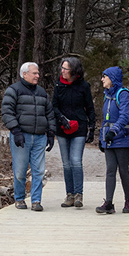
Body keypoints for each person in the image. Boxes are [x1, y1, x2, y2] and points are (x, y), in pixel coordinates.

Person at [1, 62, 56, 211]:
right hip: (21, 137)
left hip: (39, 137)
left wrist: (51, 133)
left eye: (38, 73)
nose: (38, 76)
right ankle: (19, 198)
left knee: (38, 170)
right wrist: (16, 131)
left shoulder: (42, 92)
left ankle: (36, 201)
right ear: (24, 74)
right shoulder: (13, 90)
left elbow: (50, 114)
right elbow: (7, 112)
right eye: (34, 73)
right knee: (20, 171)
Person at [52, 56, 95, 208]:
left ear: (74, 71)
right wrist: (61, 118)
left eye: (65, 69)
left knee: (76, 161)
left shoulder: (84, 86)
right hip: (62, 128)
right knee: (66, 164)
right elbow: (54, 106)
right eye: (62, 68)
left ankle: (78, 195)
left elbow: (90, 107)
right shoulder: (59, 85)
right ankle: (69, 195)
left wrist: (92, 128)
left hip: (79, 127)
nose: (62, 71)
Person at [96, 65, 129, 215]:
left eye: (104, 76)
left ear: (112, 78)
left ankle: (128, 201)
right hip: (110, 139)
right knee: (110, 170)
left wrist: (114, 131)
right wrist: (102, 138)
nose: (102, 79)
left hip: (123, 137)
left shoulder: (123, 95)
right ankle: (108, 203)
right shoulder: (107, 96)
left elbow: (124, 116)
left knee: (123, 170)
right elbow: (105, 120)